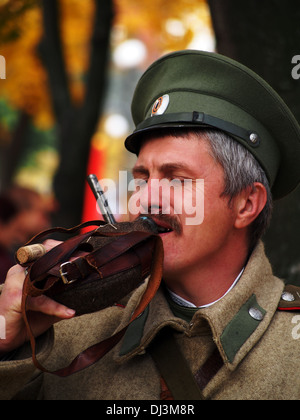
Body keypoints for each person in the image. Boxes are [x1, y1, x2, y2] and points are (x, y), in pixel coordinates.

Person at [0, 50, 300, 400]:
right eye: (141, 177)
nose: (144, 200)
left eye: (176, 179)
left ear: (247, 204)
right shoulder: (64, 321)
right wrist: (6, 342)